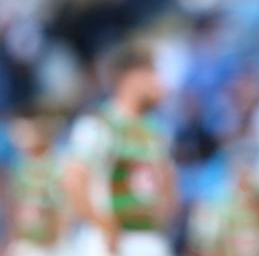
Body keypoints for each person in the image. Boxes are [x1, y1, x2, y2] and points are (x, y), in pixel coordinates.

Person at [63, 44, 176, 256]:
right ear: (131, 77)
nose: (160, 83)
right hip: (109, 242)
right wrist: (104, 226)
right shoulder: (99, 124)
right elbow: (73, 182)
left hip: (149, 238)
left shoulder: (155, 130)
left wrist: (164, 212)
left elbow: (168, 180)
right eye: (152, 73)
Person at [5, 105, 67, 256]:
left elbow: (62, 209)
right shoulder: (19, 166)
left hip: (52, 246)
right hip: (27, 244)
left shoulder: (59, 164)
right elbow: (15, 208)